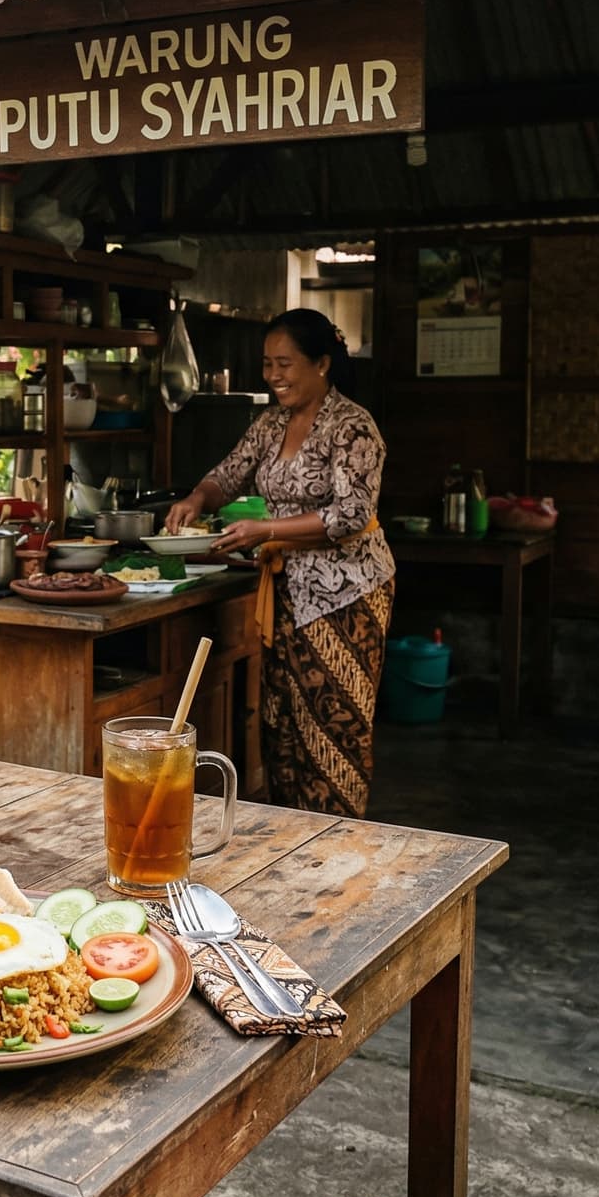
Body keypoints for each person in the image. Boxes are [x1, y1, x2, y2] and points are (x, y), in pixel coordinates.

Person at [164, 309, 395, 816]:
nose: (274, 376)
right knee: (283, 722)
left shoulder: (353, 427)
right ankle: (292, 839)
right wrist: (197, 499)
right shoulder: (270, 424)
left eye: (285, 364)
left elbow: (351, 515)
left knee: (334, 727)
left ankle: (338, 840)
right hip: (288, 590)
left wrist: (264, 530)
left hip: (346, 596)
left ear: (322, 364)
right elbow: (227, 475)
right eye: (268, 364)